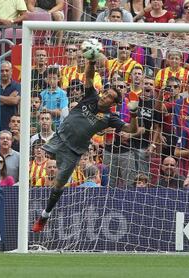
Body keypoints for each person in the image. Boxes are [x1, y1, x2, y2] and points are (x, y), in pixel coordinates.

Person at [32, 45, 139, 233]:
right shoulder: (91, 96)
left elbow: (130, 129)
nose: (104, 97)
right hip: (59, 137)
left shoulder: (110, 118)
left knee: (58, 185)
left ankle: (45, 215)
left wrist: (134, 114)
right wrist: (91, 59)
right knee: (37, 156)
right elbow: (89, 76)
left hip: (74, 151)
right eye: (105, 93)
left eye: (109, 98)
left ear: (113, 104)